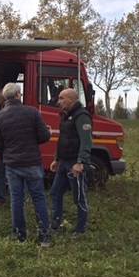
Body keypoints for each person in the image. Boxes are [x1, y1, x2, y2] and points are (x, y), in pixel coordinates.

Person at [0, 83, 51, 246]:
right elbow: (44, 136)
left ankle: (20, 236)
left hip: (12, 164)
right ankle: (44, 237)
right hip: (32, 162)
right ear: (18, 94)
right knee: (38, 198)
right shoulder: (32, 112)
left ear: (5, 97)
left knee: (16, 200)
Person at [49, 88, 93, 236]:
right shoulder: (64, 116)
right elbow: (62, 140)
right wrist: (56, 159)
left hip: (75, 163)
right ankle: (56, 224)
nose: (58, 101)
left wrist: (80, 162)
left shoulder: (82, 116)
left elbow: (86, 141)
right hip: (63, 162)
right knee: (55, 192)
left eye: (62, 98)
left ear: (72, 99)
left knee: (79, 197)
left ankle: (81, 229)